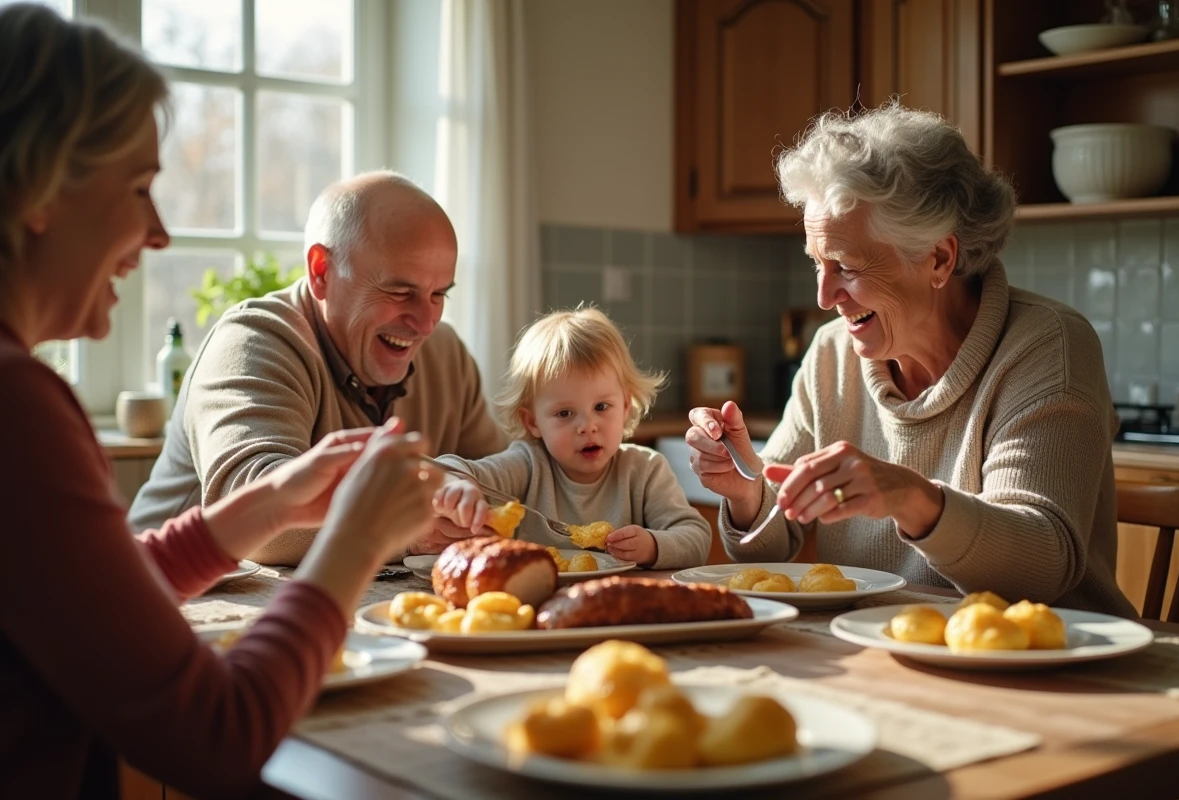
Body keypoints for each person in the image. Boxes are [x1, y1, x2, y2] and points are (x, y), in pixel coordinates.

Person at [0, 5, 440, 797]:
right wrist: (352, 543)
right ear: (40, 190)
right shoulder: (16, 407)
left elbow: (89, 595)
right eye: (138, 188)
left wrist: (261, 509)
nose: (161, 232)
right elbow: (216, 739)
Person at [686, 104, 1136, 616]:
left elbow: (1040, 569)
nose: (824, 295)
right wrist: (745, 490)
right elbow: (774, 544)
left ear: (939, 259)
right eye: (816, 262)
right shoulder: (833, 353)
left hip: (1052, 664)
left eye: (847, 267)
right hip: (887, 650)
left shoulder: (1047, 345)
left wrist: (912, 498)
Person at [127, 169, 508, 564]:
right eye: (399, 291)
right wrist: (406, 529)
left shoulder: (444, 353)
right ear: (321, 271)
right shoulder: (252, 341)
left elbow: (502, 483)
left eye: (438, 294)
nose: (425, 323)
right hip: (160, 601)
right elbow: (254, 518)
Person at [434, 308, 710, 568]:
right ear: (533, 422)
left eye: (601, 407)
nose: (588, 426)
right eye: (565, 413)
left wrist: (653, 545)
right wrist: (459, 485)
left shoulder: (645, 470)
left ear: (625, 407)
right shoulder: (527, 465)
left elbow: (697, 537)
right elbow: (447, 469)